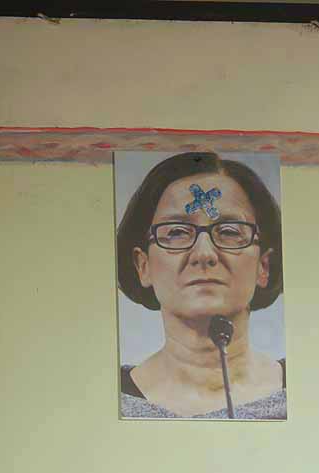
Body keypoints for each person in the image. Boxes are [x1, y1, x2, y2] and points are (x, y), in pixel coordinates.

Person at [116, 151, 286, 419]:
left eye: (229, 232)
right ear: (143, 266)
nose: (204, 254)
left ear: (263, 266)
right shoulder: (109, 398)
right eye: (176, 232)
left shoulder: (308, 391)